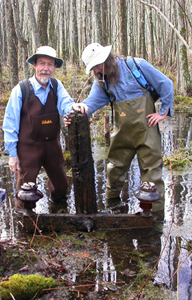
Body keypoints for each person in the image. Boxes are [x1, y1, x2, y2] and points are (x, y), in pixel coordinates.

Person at [75, 43, 174, 213]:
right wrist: (79, 109)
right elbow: (92, 102)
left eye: (99, 64)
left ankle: (155, 217)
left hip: (147, 130)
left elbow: (166, 84)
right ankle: (112, 206)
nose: (98, 70)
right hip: (122, 132)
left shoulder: (136, 66)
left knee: (152, 172)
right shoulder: (101, 81)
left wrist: (163, 112)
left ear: (108, 58)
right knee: (114, 168)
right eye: (94, 67)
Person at [2, 46, 87, 214]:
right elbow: (10, 123)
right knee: (25, 191)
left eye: (50, 64)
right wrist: (12, 155)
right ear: (34, 65)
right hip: (28, 149)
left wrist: (72, 109)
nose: (46, 69)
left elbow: (65, 104)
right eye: (42, 63)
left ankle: (59, 214)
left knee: (61, 186)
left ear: (54, 68)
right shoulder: (21, 90)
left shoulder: (56, 86)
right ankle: (24, 223)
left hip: (52, 147)